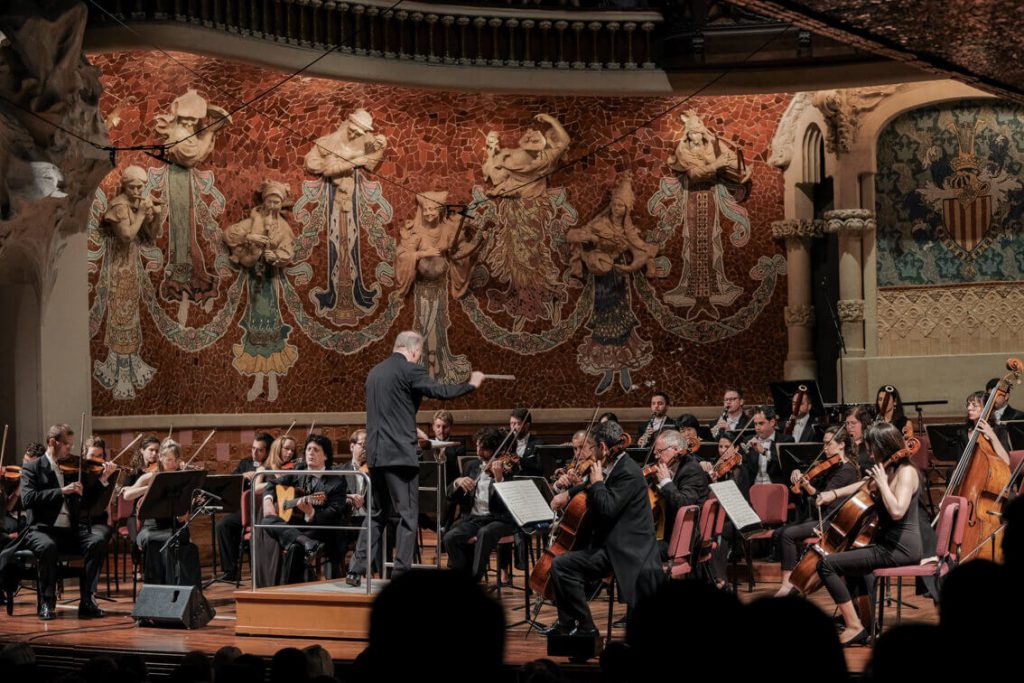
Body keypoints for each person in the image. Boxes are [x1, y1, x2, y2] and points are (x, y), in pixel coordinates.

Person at [346, 331, 484, 586]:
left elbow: (392, 411)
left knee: (376, 515)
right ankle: (400, 576)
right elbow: (440, 391)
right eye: (419, 352)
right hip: (399, 456)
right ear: (414, 350)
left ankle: (355, 570)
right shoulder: (410, 370)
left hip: (376, 455)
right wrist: (471, 384)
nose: (419, 356)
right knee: (409, 517)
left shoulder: (374, 373)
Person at [541, 420, 662, 636]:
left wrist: (597, 483)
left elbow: (607, 508)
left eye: (593, 448)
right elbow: (588, 482)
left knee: (562, 565)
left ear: (604, 448)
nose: (590, 453)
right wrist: (569, 493)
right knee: (564, 561)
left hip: (628, 550)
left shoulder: (628, 473)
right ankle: (567, 624)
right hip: (612, 542)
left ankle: (586, 628)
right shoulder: (612, 465)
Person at [816, 422, 922, 646]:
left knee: (826, 564)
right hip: (886, 544)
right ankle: (863, 622)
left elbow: (896, 511)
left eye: (872, 448)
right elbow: (864, 484)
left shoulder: (907, 472)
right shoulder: (890, 468)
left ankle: (854, 626)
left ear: (884, 446)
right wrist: (832, 494)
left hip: (901, 548)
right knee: (850, 560)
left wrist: (883, 484)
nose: (870, 453)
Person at [1, 424, 115, 619]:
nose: (70, 450)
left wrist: (103, 479)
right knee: (47, 547)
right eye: (67, 445)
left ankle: (87, 601)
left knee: (96, 542)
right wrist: (62, 491)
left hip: (68, 530)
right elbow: (28, 499)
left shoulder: (71, 469)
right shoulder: (32, 468)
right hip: (40, 529)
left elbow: (87, 503)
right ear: (53, 442)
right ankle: (47, 602)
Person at [261, 434, 360, 583]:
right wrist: (268, 501)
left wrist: (312, 512)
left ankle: (289, 591)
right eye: (308, 449)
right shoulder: (299, 470)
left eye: (316, 450)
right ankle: (306, 542)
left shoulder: (336, 482)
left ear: (325, 456)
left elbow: (334, 513)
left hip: (325, 529)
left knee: (295, 546)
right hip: (299, 526)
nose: (310, 453)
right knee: (266, 520)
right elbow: (272, 484)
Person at [775, 426, 859, 596]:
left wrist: (808, 487)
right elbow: (811, 476)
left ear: (841, 445)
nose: (825, 448)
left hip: (833, 520)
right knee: (779, 532)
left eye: (829, 444)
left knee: (787, 534)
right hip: (822, 516)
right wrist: (800, 473)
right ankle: (795, 581)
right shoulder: (829, 466)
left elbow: (824, 497)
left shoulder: (847, 470)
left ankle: (788, 582)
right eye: (824, 444)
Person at [442, 428, 519, 585]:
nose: (478, 451)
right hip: (474, 519)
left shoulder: (508, 468)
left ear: (494, 448)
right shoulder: (471, 466)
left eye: (483, 448)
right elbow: (450, 494)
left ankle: (473, 580)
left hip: (499, 520)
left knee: (485, 533)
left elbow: (510, 502)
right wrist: (458, 482)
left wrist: (499, 480)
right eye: (477, 446)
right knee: (450, 537)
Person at [121, 439, 192, 586]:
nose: (171, 464)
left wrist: (186, 509)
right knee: (153, 541)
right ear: (161, 458)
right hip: (151, 528)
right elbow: (127, 495)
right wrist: (149, 488)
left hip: (174, 526)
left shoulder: (182, 479)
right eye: (168, 460)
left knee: (180, 539)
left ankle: (180, 587)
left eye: (174, 460)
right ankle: (156, 587)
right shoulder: (149, 476)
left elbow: (183, 518)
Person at [215, 432, 273, 582]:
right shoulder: (245, 463)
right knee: (223, 526)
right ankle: (231, 570)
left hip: (263, 510)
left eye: (259, 450)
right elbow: (232, 481)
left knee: (230, 526)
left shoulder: (271, 465)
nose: (254, 453)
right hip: (245, 510)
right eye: (253, 448)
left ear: (268, 451)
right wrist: (242, 476)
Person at [649, 429, 709, 550]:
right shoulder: (673, 466)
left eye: (659, 451)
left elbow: (684, 505)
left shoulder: (691, 470)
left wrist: (666, 482)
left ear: (675, 450)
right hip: (668, 530)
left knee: (637, 550)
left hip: (681, 538)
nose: (656, 456)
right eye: (655, 452)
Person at [741, 406, 793, 487]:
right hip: (755, 488)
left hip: (776, 488)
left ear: (772, 422)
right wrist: (744, 456)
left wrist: (764, 452)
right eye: (755, 424)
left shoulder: (786, 440)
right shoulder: (748, 440)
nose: (757, 428)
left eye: (761, 423)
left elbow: (785, 465)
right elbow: (750, 471)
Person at [510, 408, 544, 477]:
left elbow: (539, 468)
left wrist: (521, 460)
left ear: (527, 425)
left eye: (517, 423)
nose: (513, 427)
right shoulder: (507, 443)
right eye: (511, 423)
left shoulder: (538, 444)